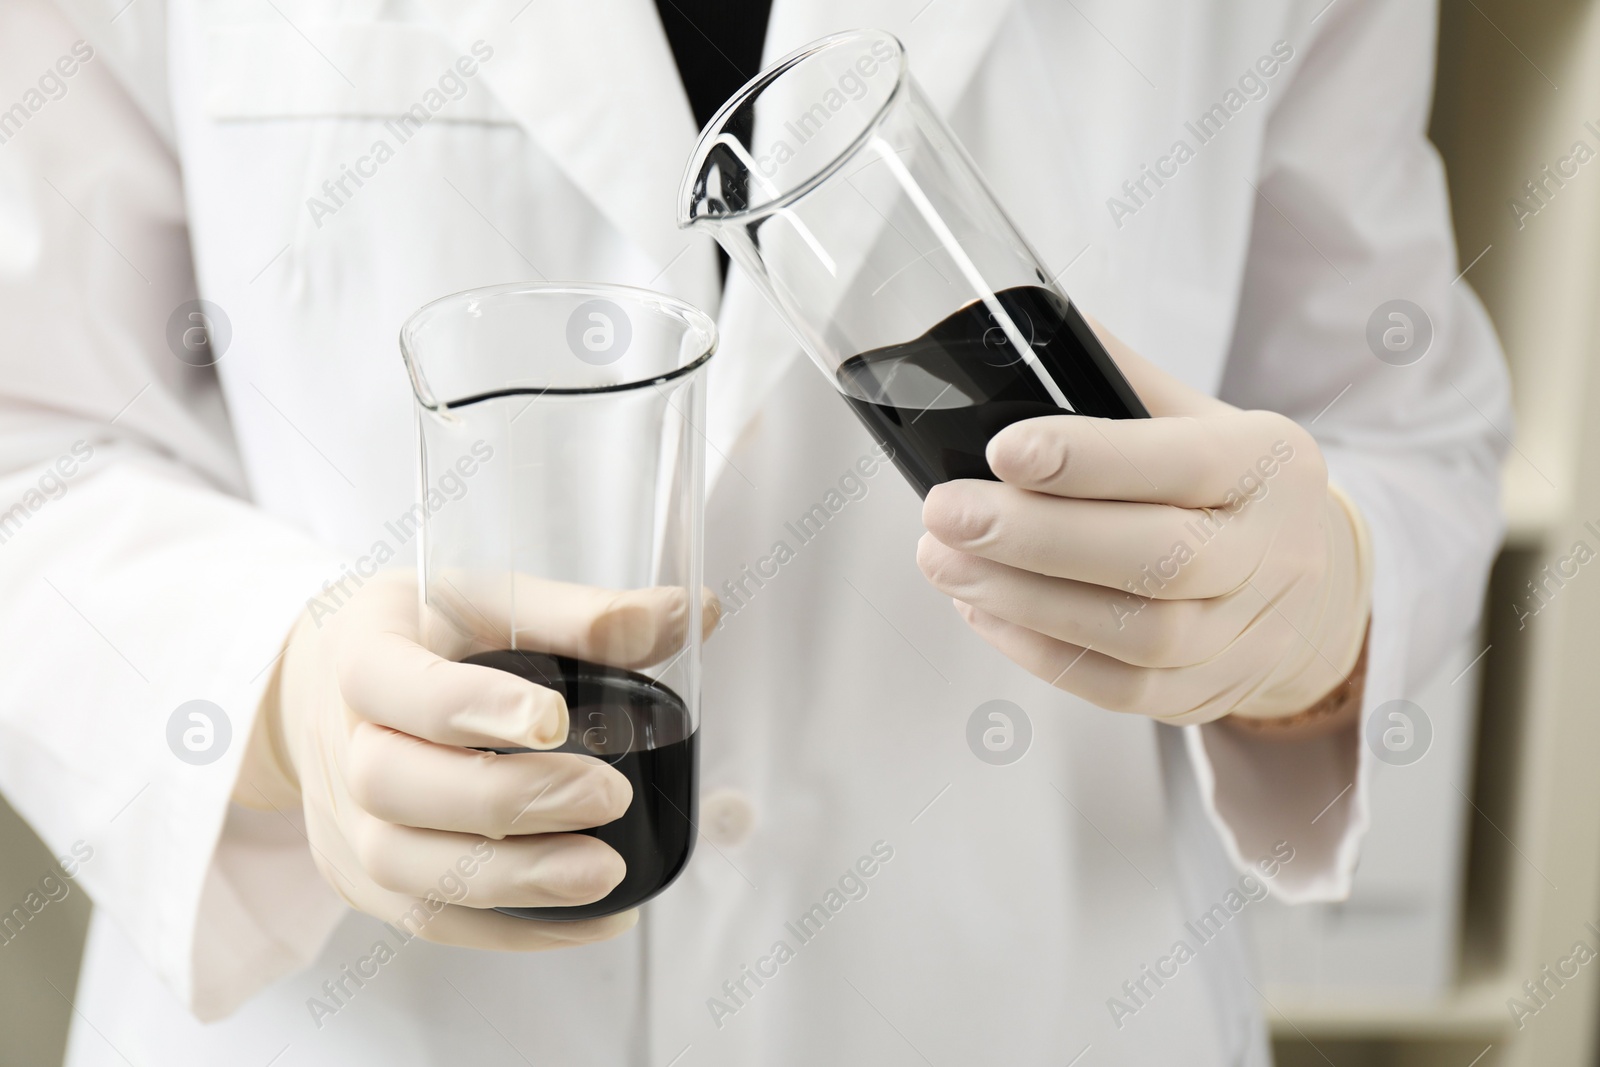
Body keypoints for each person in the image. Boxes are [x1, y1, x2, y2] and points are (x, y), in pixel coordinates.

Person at [0, 0, 1508, 1064]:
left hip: (1036, 999)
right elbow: (28, 442)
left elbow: (1408, 431)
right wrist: (279, 696)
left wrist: (1323, 606)